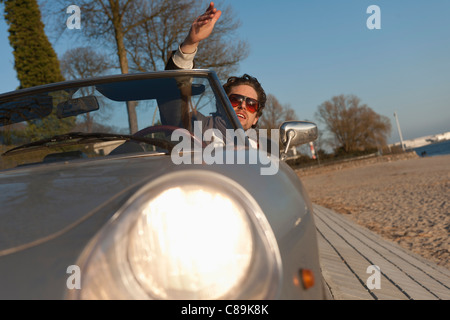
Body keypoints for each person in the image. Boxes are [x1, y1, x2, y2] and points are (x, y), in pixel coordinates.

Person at [165, 2, 267, 133]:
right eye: (235, 100)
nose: (242, 106)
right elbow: (172, 99)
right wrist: (191, 42)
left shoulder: (264, 150)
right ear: (221, 104)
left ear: (256, 119)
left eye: (251, 105)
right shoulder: (196, 128)